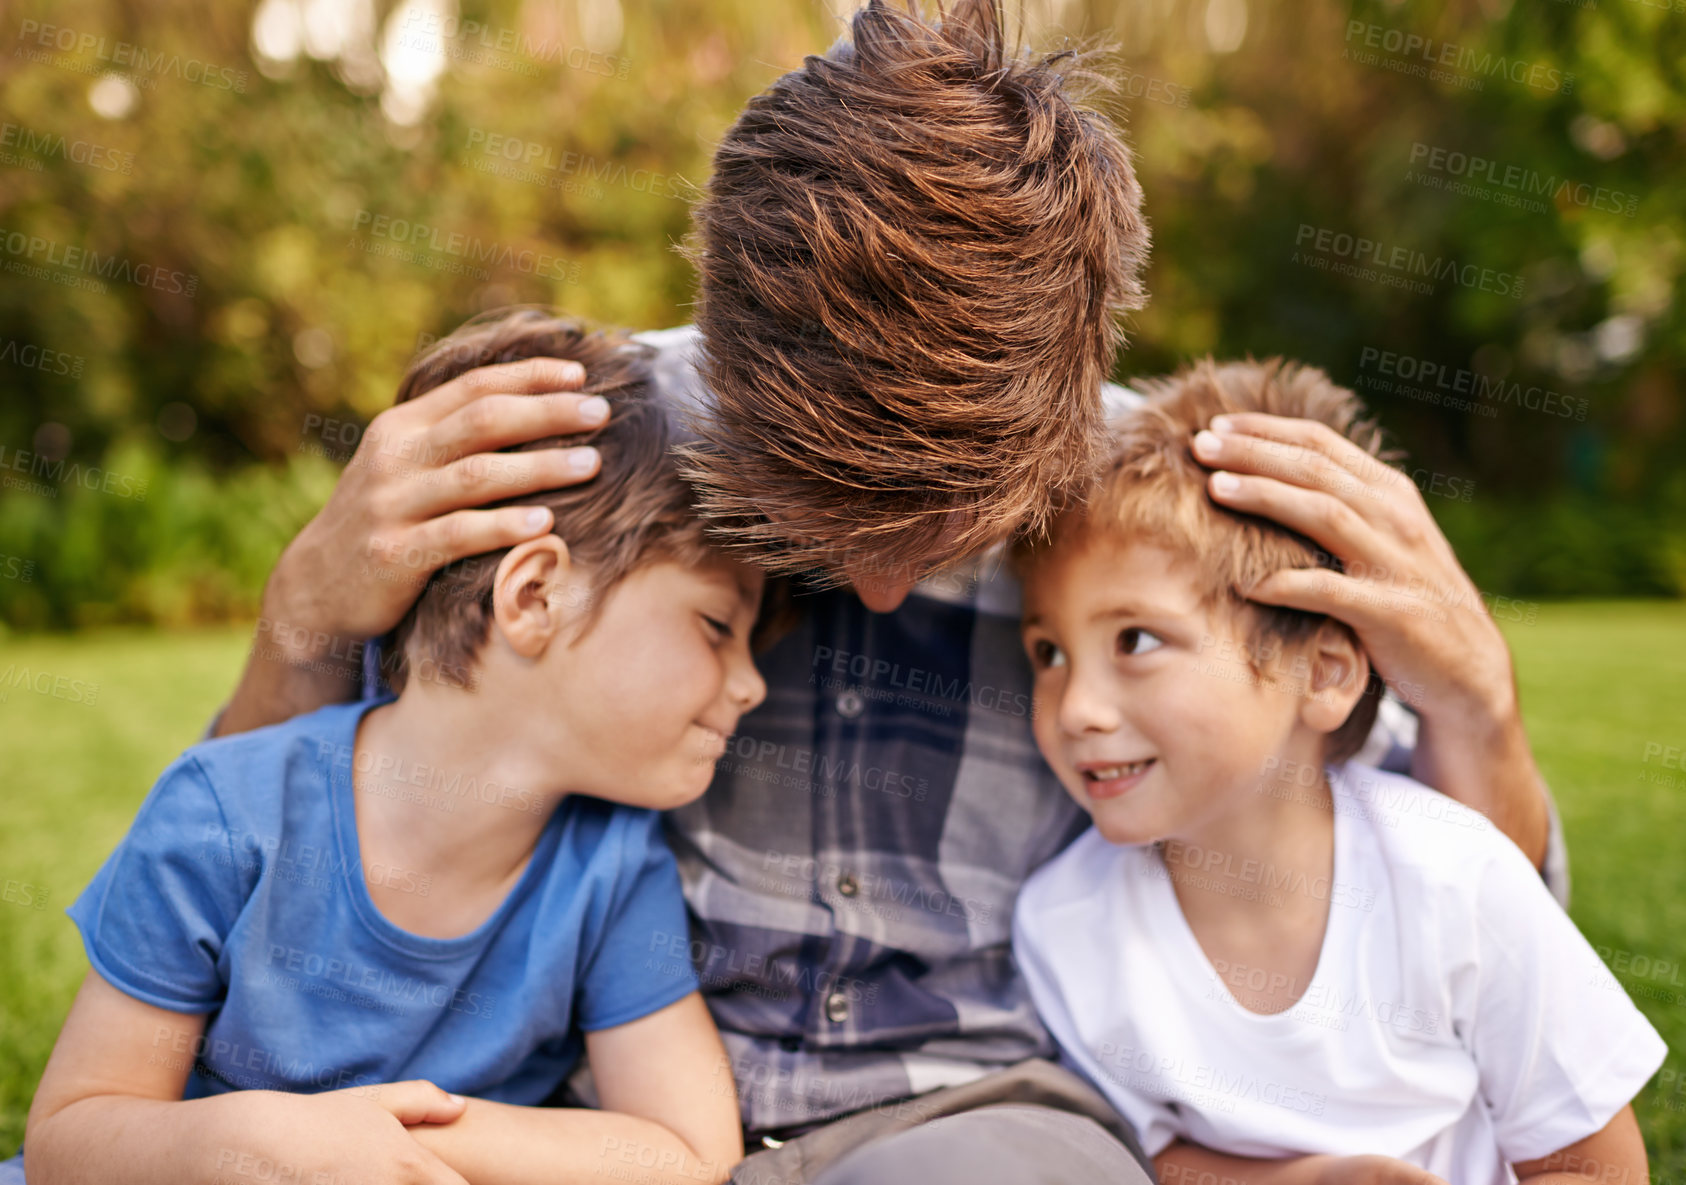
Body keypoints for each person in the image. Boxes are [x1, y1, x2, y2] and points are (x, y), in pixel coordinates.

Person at [208, 3, 1567, 1181]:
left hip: (978, 1122)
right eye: (810, 508)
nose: (871, 579)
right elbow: (251, 869)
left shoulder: (1154, 510)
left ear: (1071, 405)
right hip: (596, 1118)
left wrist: (1477, 710)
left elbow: (1470, 931)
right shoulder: (571, 457)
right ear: (725, 352)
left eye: (945, 532)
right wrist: (305, 622)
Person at [13, 313, 761, 1185]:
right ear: (534, 594)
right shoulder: (225, 810)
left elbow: (690, 1151)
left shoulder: (611, 867)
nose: (752, 684)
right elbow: (69, 1138)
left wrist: (390, 1144)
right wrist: (265, 1142)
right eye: (717, 626)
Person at [1011, 359, 1665, 1185]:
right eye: (1048, 652)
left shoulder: (1456, 878)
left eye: (1135, 640)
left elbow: (1597, 1166)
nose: (1075, 708)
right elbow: (1151, 1158)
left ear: (1323, 673)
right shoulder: (1063, 923)